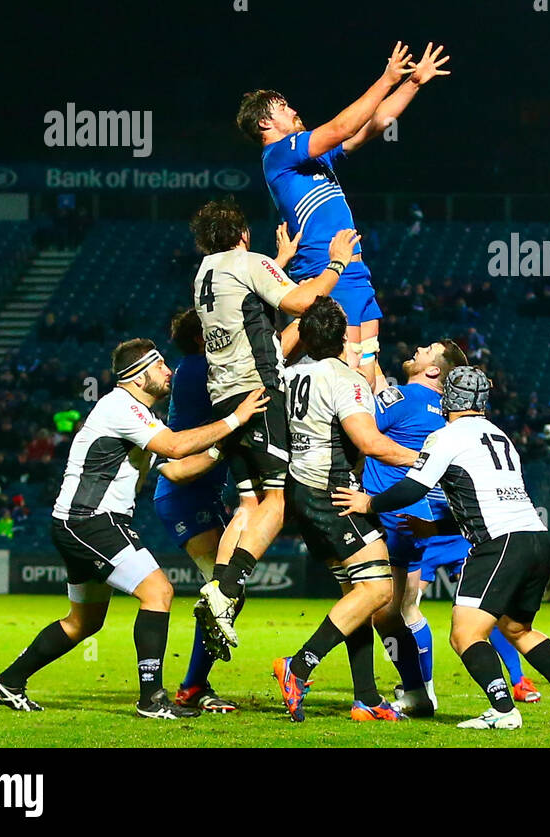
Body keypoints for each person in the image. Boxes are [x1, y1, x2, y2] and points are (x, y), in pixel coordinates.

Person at [0, 339, 268, 718]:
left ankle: (8, 681)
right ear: (138, 375)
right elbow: (173, 448)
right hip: (91, 520)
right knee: (159, 591)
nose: (169, 371)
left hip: (77, 521)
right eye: (161, 365)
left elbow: (177, 470)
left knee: (83, 622)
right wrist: (235, 419)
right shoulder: (120, 406)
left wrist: (224, 448)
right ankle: (151, 699)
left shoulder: (138, 416)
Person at [333, 366, 550, 730]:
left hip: (499, 544)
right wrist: (434, 527)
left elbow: (413, 488)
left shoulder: (446, 436)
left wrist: (368, 504)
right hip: (535, 538)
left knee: (465, 633)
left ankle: (503, 710)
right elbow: (488, 500)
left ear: (449, 398)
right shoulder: (500, 436)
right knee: (518, 629)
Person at [189, 197, 358, 656]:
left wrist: (279, 262)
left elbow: (247, 306)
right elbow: (301, 301)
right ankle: (226, 590)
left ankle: (219, 589)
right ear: (243, 235)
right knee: (278, 498)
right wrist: (337, 264)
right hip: (259, 392)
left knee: (248, 499)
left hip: (223, 396)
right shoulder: (248, 262)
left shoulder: (205, 271)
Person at [240, 41, 451, 389]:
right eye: (283, 107)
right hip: (328, 273)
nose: (293, 110)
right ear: (265, 122)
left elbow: (374, 124)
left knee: (369, 367)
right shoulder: (279, 154)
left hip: (353, 271)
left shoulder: (311, 158)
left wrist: (412, 83)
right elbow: (342, 127)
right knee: (352, 374)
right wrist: (386, 79)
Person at [271, 296, 420, 722]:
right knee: (378, 590)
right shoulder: (344, 378)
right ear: (341, 337)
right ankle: (298, 667)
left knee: (357, 595)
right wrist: (424, 460)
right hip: (333, 492)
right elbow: (371, 443)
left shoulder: (294, 374)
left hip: (302, 490)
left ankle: (367, 698)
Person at [150, 308, 239, 712]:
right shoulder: (197, 369)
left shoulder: (194, 367)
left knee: (228, 590)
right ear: (205, 338)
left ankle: (195, 684)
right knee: (223, 588)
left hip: (199, 493)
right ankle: (192, 687)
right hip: (183, 494)